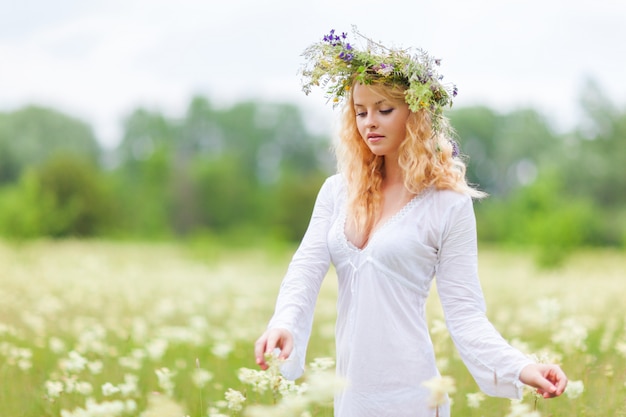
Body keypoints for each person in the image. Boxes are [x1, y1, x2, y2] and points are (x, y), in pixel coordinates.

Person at [254, 28, 567, 417]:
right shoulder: (337, 192)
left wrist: (521, 367)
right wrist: (283, 323)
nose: (370, 122)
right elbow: (305, 268)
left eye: (384, 109)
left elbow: (465, 313)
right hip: (351, 396)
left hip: (414, 397)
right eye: (361, 111)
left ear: (415, 114)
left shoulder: (448, 204)